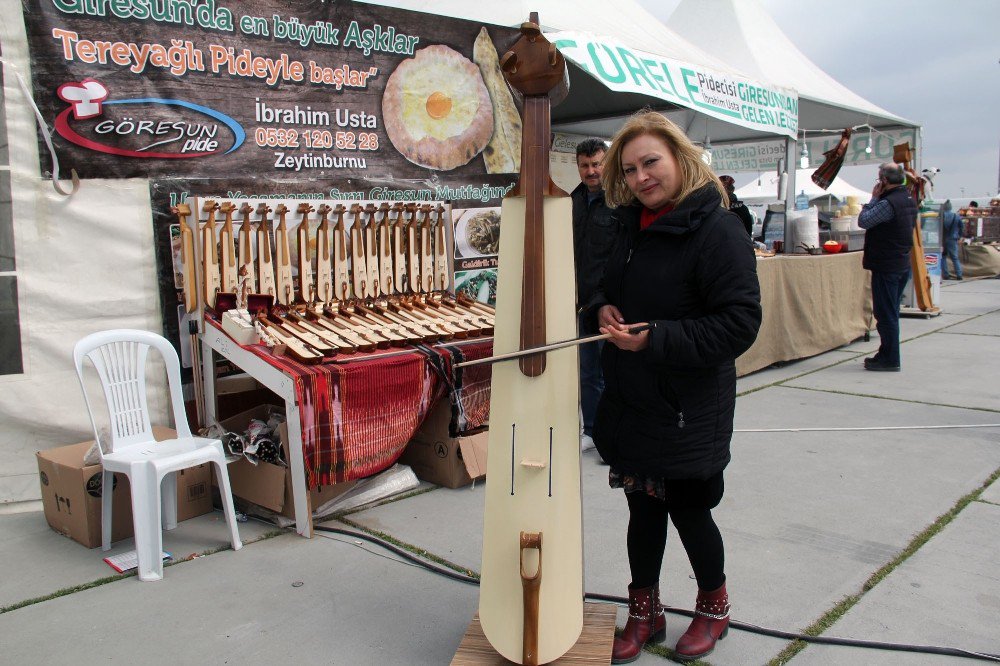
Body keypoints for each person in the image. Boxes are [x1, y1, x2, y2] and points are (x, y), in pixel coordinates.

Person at [587, 111, 762, 663]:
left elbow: (740, 323)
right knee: (642, 509)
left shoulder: (718, 228)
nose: (641, 177)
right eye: (631, 168)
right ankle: (646, 612)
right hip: (634, 397)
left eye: (651, 162)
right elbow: (603, 289)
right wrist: (601, 309)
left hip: (687, 405)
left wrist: (655, 339)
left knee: (690, 510)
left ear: (681, 159)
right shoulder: (628, 226)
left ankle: (714, 606)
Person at [571, 138, 622, 451]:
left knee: (614, 371)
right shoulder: (571, 201)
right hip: (579, 302)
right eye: (585, 166)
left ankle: (614, 433)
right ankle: (592, 431)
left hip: (611, 302)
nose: (591, 171)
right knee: (588, 372)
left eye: (596, 164)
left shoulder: (620, 201)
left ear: (607, 163)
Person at [858, 163, 916, 372]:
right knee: (890, 311)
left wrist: (873, 199)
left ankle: (890, 357)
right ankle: (887, 353)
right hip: (900, 262)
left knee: (885, 313)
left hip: (887, 264)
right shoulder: (908, 199)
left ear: (883, 181)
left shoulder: (888, 203)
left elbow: (864, 221)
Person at [940, 200, 964, 280]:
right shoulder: (956, 216)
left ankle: (946, 274)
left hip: (942, 239)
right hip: (953, 239)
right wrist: (960, 236)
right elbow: (961, 227)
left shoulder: (941, 215)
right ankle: (959, 274)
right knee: (955, 257)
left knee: (943, 257)